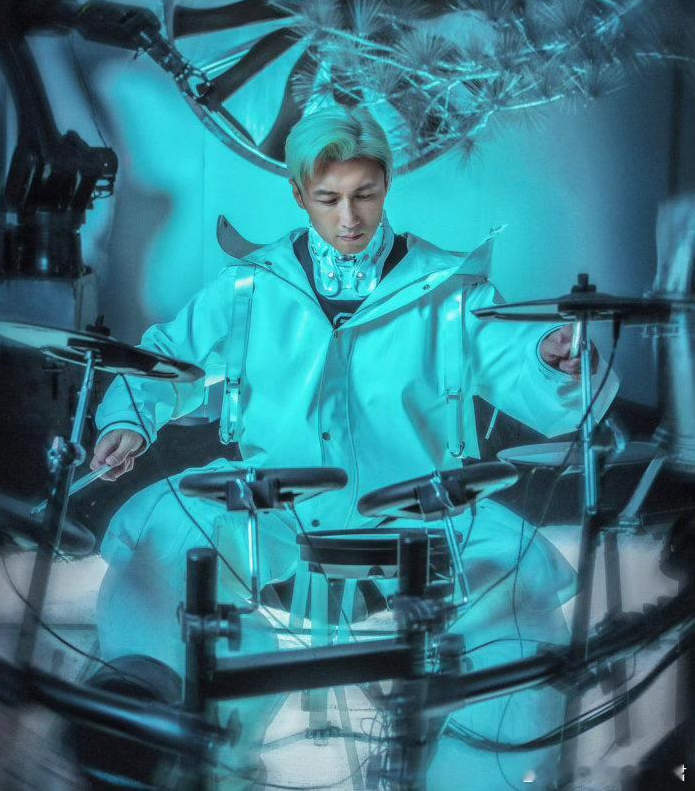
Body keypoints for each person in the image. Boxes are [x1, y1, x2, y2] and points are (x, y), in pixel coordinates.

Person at [90, 105, 617, 789]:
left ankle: (478, 772)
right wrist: (129, 421)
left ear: (387, 184)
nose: (349, 218)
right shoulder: (251, 285)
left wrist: (553, 361)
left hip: (420, 510)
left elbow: (520, 360)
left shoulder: (450, 289)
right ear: (298, 194)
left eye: (365, 194)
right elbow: (166, 359)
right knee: (163, 546)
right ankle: (169, 739)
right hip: (269, 503)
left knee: (510, 589)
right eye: (329, 198)